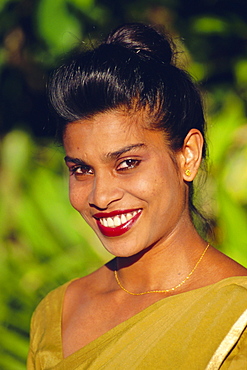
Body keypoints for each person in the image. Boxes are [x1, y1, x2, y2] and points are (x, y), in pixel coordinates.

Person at [27, 23, 247, 369]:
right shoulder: (57, 312)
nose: (101, 196)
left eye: (127, 163)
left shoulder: (237, 320)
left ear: (187, 156)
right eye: (81, 170)